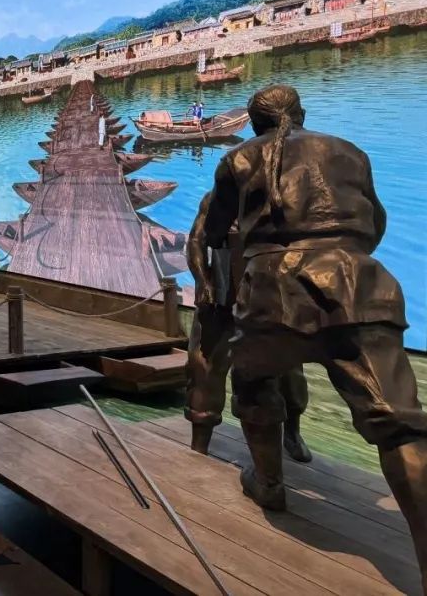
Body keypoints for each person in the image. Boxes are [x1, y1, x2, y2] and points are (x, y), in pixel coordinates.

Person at [202, 84, 427, 586]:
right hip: (358, 285)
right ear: (301, 113)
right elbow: (376, 222)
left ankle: (269, 483)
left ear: (253, 122)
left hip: (271, 290)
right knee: (399, 425)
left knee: (253, 381)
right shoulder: (348, 151)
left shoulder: (238, 158)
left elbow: (216, 230)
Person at [185, 191, 311, 462]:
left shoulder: (283, 201)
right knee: (203, 367)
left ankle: (292, 431)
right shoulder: (216, 199)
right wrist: (203, 281)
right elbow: (196, 241)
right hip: (221, 297)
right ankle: (199, 443)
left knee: (289, 372)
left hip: (269, 302)